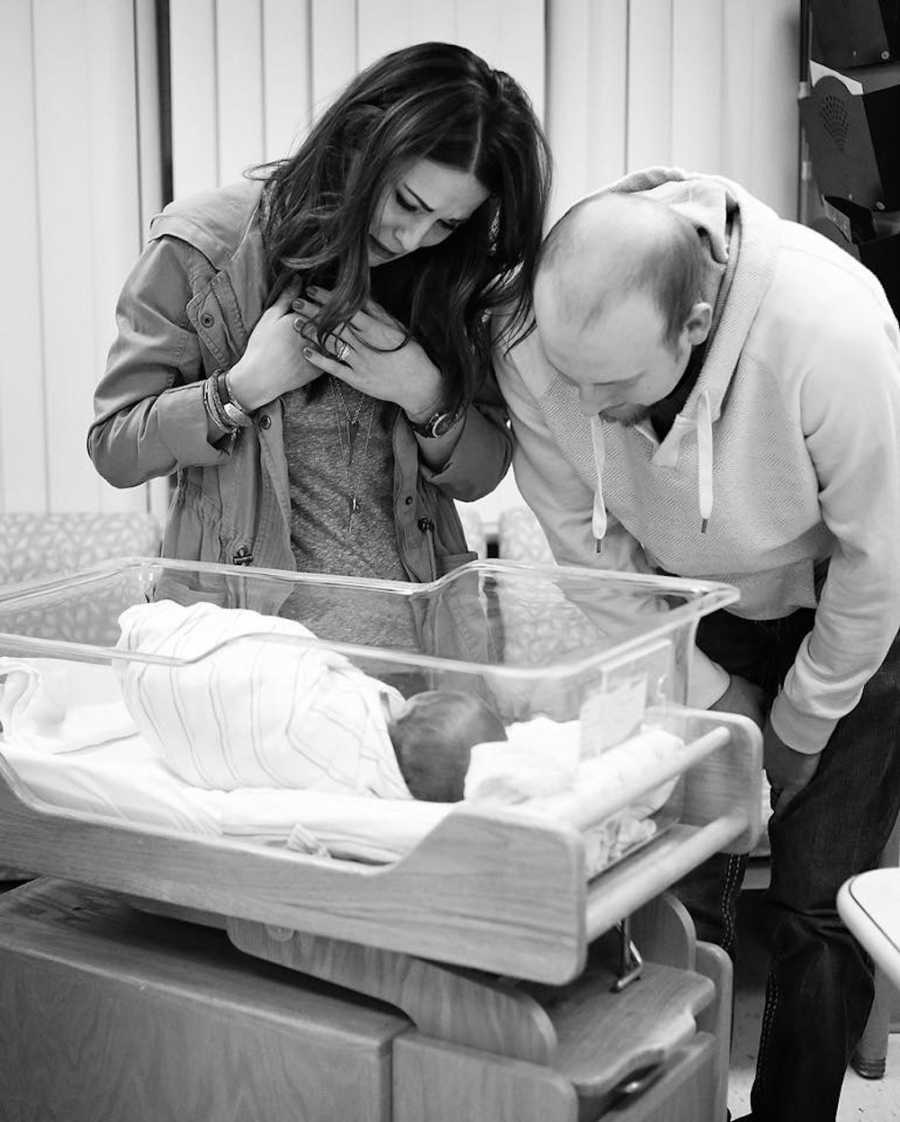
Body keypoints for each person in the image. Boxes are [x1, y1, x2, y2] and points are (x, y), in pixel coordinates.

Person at [493, 168, 900, 1122]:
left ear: (698, 319)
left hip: (856, 611)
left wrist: (799, 724)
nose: (589, 410)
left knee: (813, 900)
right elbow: (591, 558)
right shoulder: (527, 338)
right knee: (677, 875)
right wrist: (711, 685)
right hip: (695, 604)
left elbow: (880, 562)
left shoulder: (828, 331)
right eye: (571, 378)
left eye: (618, 385)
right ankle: (681, 1107)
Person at [88, 42, 551, 618]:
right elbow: (114, 450)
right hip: (248, 659)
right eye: (407, 202)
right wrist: (239, 391)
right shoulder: (204, 250)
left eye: (446, 223)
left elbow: (482, 473)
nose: (413, 236)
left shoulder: (448, 276)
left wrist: (424, 394)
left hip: (421, 658)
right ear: (358, 143)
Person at [117, 598, 507, 802]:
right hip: (253, 684)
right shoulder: (369, 781)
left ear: (413, 707)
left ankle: (149, 639)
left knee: (248, 663)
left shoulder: (354, 733)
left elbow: (292, 671)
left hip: (202, 681)